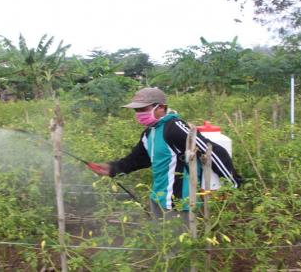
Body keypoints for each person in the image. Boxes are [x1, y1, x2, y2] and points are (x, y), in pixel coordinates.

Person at [87, 87, 241, 226]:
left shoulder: (174, 127)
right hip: (158, 198)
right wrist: (112, 168)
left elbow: (212, 151)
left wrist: (233, 183)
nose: (139, 114)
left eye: (142, 109)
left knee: (177, 250)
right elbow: (137, 159)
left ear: (159, 107)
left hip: (179, 202)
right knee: (164, 244)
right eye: (136, 111)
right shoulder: (150, 132)